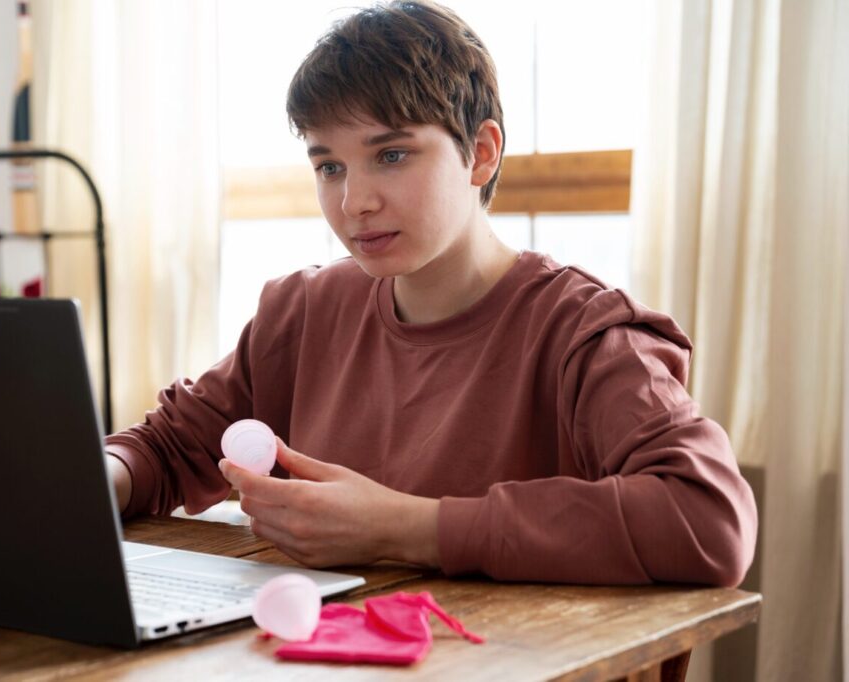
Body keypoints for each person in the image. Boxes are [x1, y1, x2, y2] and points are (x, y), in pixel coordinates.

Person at [104, 0, 757, 586]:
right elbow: (164, 449)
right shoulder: (301, 313)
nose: (353, 202)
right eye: (329, 166)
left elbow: (708, 518)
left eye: (391, 155)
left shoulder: (585, 334)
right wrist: (85, 483)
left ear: (481, 154)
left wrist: (406, 527)